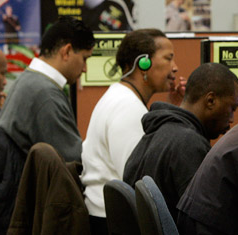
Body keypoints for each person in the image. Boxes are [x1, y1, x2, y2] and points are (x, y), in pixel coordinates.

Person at [80, 28, 182, 234]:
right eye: (168, 58)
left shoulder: (120, 96)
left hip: (106, 215)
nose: (175, 68)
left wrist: (176, 106)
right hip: (111, 222)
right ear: (143, 63)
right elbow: (136, 178)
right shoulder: (127, 107)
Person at [123, 63, 238, 221]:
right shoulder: (189, 144)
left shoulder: (156, 132)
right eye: (232, 108)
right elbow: (204, 221)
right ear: (210, 100)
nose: (232, 119)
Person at [0, 16, 94, 162]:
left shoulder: (28, 80)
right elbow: (72, 162)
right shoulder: (46, 94)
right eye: (84, 59)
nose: (85, 69)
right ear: (66, 51)